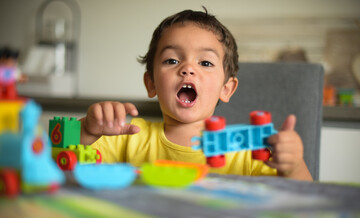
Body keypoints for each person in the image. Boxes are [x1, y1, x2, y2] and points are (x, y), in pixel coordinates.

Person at [80, 8, 313, 181]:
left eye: (205, 62)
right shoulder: (128, 137)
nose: (188, 68)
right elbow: (58, 168)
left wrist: (293, 166)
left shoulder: (248, 153)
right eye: (172, 60)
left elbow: (304, 197)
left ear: (226, 88)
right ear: (151, 83)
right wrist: (87, 130)